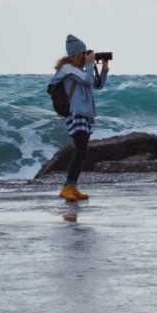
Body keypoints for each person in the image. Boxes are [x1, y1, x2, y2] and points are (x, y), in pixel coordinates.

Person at [49, 34, 109, 202]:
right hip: (76, 113)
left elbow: (97, 85)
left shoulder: (79, 71)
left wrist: (104, 69)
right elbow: (88, 80)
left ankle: (73, 187)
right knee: (81, 151)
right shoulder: (68, 70)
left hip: (85, 114)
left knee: (82, 152)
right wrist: (90, 64)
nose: (86, 56)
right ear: (76, 54)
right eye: (84, 53)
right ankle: (67, 187)